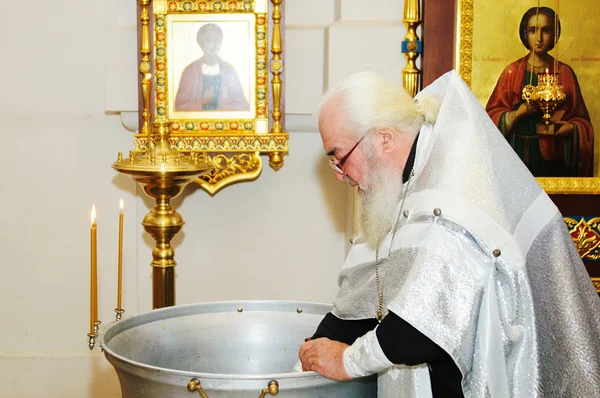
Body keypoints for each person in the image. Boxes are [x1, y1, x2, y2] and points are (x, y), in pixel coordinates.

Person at [296, 70, 600, 397]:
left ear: (383, 138)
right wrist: (316, 347)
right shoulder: (396, 185)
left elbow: (425, 324)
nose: (341, 175)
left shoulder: (451, 189)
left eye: (340, 158)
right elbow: (369, 289)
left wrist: (347, 360)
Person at [486, 6, 594, 177]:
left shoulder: (565, 73)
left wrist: (571, 129)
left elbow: (583, 123)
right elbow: (490, 118)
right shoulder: (511, 73)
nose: (539, 38)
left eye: (546, 30)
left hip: (552, 159)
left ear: (555, 34)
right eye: (532, 30)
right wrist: (517, 114)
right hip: (517, 155)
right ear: (524, 34)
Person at [174, 23, 249, 112]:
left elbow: (243, 106)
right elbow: (179, 106)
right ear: (201, 43)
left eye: (217, 41)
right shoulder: (190, 71)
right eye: (209, 41)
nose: (213, 45)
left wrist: (226, 102)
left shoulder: (229, 70)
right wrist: (201, 100)